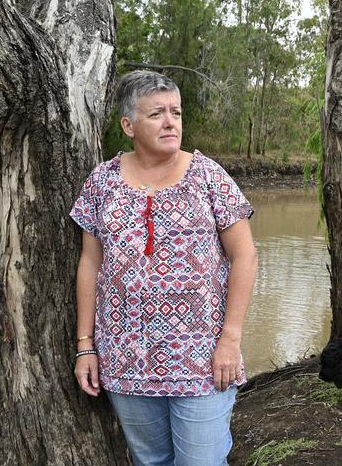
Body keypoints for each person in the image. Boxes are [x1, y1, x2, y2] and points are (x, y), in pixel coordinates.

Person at [70, 70, 257, 466]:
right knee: (151, 462)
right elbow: (90, 263)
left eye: (176, 111)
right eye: (157, 113)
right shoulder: (102, 182)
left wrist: (231, 339)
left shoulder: (209, 176)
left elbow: (245, 257)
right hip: (125, 359)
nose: (171, 121)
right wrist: (85, 346)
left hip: (203, 359)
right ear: (128, 126)